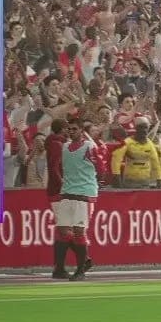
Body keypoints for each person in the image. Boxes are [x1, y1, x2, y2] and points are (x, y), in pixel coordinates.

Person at [45, 115, 98, 280]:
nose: (71, 131)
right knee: (62, 231)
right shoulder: (64, 146)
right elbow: (55, 164)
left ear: (81, 130)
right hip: (67, 192)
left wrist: (96, 182)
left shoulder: (89, 146)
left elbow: (100, 165)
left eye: (75, 129)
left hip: (83, 194)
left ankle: (80, 270)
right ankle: (62, 268)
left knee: (79, 232)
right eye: (69, 129)